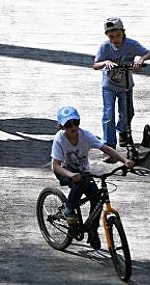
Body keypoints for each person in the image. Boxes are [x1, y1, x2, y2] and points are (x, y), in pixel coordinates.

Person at [51, 105, 134, 250]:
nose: (73, 127)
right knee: (80, 181)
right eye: (68, 124)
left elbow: (106, 149)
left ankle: (92, 230)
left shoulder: (85, 135)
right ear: (61, 127)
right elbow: (56, 166)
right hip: (64, 171)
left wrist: (124, 160)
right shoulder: (59, 139)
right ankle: (69, 209)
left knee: (97, 199)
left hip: (83, 173)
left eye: (75, 122)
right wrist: (70, 174)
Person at [93, 17, 150, 163]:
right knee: (108, 114)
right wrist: (105, 62)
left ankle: (122, 131)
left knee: (127, 112)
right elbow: (95, 65)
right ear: (107, 36)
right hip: (108, 86)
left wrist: (140, 60)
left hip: (126, 86)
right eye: (111, 36)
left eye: (118, 35)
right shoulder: (104, 47)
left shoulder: (131, 45)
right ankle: (110, 146)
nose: (115, 39)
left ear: (123, 32)